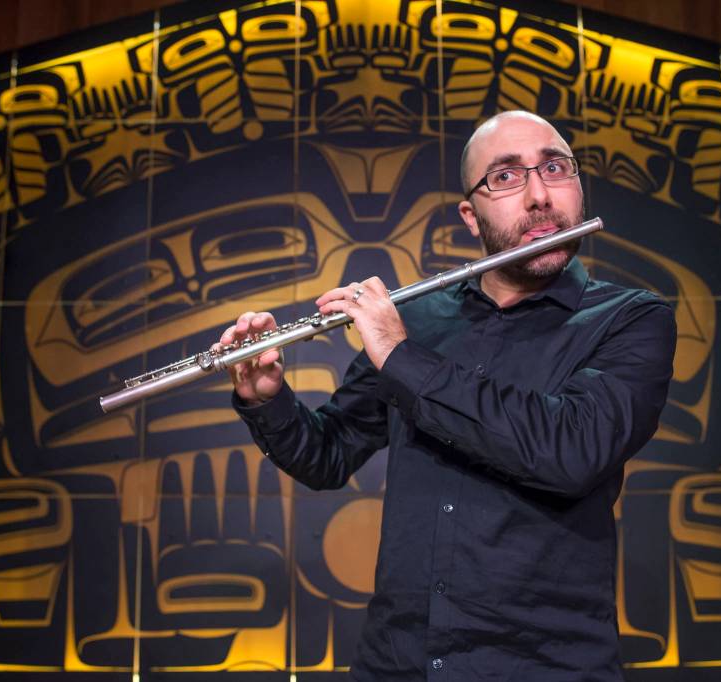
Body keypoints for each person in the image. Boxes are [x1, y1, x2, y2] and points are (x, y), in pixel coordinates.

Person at [219, 110, 677, 681]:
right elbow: (328, 455)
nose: (538, 195)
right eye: (506, 177)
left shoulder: (630, 320)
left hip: (546, 668)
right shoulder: (420, 320)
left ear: (577, 188)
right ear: (471, 213)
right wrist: (268, 400)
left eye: (555, 169)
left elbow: (569, 451)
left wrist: (401, 356)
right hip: (398, 664)